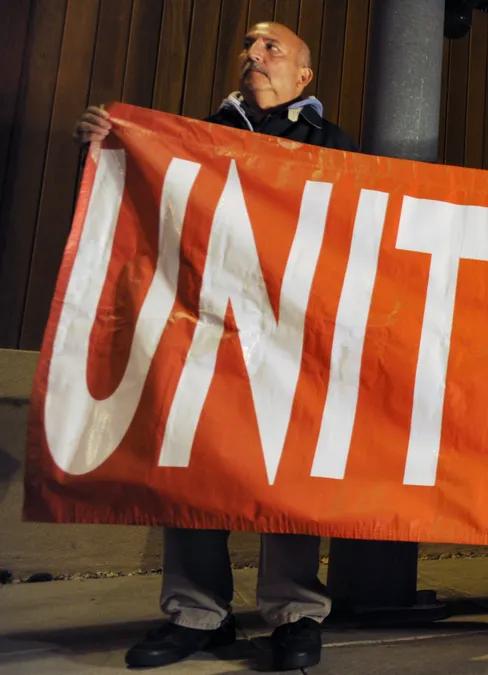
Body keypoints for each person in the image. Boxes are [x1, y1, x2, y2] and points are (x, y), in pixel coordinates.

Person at [73, 21, 357, 671]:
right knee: (195, 466)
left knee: (286, 473)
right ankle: (198, 614)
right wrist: (106, 152)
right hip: (205, 326)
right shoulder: (192, 136)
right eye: (248, 47)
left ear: (302, 77)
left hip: (290, 336)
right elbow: (144, 207)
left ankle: (295, 613)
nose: (253, 56)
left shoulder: (334, 144)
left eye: (271, 48)